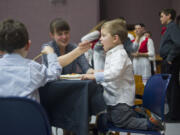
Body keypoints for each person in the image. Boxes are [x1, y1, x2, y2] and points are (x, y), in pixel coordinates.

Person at [82, 19, 163, 131]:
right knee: (106, 118)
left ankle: (150, 124)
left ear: (115, 38)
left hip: (121, 101)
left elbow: (113, 74)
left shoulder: (120, 54)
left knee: (121, 122)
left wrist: (94, 76)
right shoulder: (112, 53)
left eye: (104, 36)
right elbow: (110, 71)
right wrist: (96, 72)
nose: (100, 39)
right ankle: (136, 113)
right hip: (113, 100)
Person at [0, 18, 91, 102]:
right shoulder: (33, 67)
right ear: (28, 45)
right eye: (60, 34)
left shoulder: (73, 46)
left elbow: (85, 66)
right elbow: (54, 73)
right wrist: (51, 54)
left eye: (66, 33)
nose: (64, 37)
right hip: (29, 119)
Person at [159, 8, 180, 122]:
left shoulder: (173, 27)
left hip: (171, 61)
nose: (160, 18)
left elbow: (178, 43)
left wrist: (170, 58)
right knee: (169, 88)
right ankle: (172, 113)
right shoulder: (169, 28)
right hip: (168, 60)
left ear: (169, 16)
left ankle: (174, 115)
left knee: (172, 88)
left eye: (162, 16)